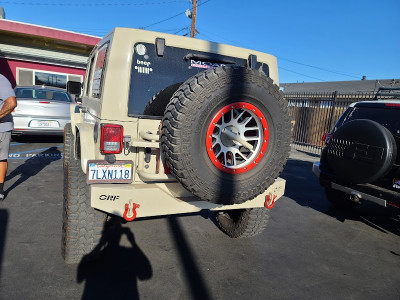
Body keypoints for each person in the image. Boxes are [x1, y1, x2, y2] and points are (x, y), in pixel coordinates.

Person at [0, 74, 17, 200]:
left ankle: (0, 191)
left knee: (1, 159)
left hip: (2, 128)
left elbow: (11, 102)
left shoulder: (1, 80)